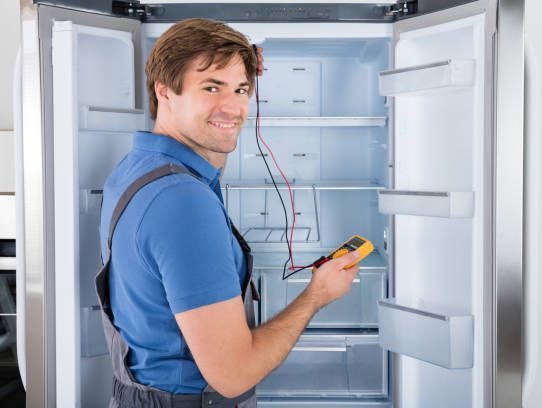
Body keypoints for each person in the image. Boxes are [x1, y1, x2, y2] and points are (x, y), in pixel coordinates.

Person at [96, 18, 361, 408]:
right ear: (165, 91)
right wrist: (316, 295)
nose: (234, 106)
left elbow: (204, 160)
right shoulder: (183, 203)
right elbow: (233, 375)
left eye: (241, 89)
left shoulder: (140, 167)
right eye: (211, 87)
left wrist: (236, 63)